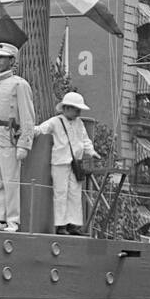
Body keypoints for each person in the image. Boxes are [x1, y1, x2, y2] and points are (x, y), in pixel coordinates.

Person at [0, 43, 35, 232]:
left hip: (10, 137)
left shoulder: (19, 84)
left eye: (3, 57)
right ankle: (0, 219)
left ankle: (12, 220)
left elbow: (28, 116)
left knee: (10, 181)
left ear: (12, 61)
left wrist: (24, 143)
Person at [33, 92, 97, 236]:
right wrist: (28, 130)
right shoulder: (55, 122)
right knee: (61, 194)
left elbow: (85, 140)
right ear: (67, 108)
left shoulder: (79, 123)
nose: (78, 113)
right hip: (60, 163)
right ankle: (61, 225)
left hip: (75, 164)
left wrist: (92, 152)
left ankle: (73, 225)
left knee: (74, 194)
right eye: (76, 109)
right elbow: (40, 129)